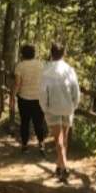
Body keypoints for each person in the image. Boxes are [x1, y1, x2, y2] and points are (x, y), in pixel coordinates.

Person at [41, 42, 80, 181]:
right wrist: (74, 105)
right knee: (64, 139)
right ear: (64, 53)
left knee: (58, 139)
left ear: (51, 53)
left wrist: (44, 107)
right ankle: (60, 166)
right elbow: (76, 90)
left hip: (53, 108)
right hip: (67, 107)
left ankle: (64, 167)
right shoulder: (70, 70)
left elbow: (43, 92)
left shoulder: (46, 71)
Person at [14, 44, 47, 155]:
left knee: (25, 122)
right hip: (38, 98)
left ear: (23, 54)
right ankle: (41, 144)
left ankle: (24, 146)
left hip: (24, 98)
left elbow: (18, 84)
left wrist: (13, 96)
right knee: (39, 122)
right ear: (34, 53)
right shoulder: (41, 65)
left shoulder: (20, 66)